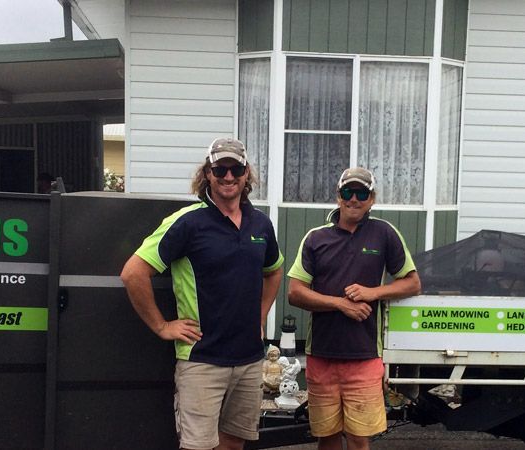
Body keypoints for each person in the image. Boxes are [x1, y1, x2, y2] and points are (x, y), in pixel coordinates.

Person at [120, 137, 284, 450]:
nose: (228, 176)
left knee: (234, 442)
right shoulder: (187, 222)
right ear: (207, 173)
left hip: (250, 359)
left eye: (235, 168)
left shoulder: (260, 224)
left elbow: (274, 270)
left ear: (246, 173)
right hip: (202, 359)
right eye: (219, 168)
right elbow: (133, 273)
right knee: (198, 446)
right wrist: (162, 326)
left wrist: (261, 314)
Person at [286, 167, 422, 450]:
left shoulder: (384, 233)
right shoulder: (315, 238)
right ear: (338, 196)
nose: (354, 199)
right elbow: (295, 293)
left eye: (362, 193)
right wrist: (340, 304)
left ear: (372, 199)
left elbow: (412, 283)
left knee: (360, 438)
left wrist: (373, 293)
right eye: (348, 192)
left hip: (364, 355)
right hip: (321, 356)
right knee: (328, 436)